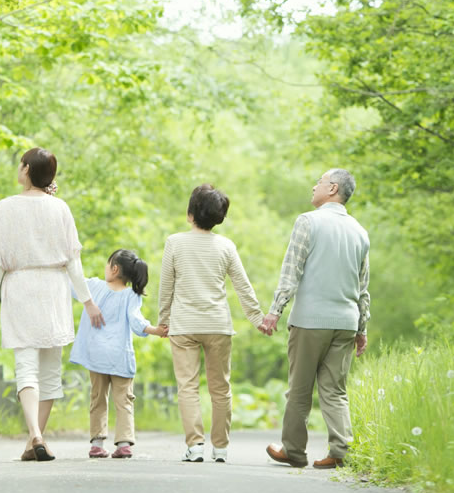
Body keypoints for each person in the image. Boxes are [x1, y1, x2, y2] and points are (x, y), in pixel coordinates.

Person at [0, 147, 103, 461]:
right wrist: (88, 301)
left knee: (26, 368)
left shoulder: (4, 208)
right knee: (49, 371)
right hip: (53, 290)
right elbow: (74, 263)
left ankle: (34, 437)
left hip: (20, 288)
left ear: (25, 170)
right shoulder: (60, 208)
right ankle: (36, 438)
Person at [262, 169, 370, 470]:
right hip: (346, 321)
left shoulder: (308, 222)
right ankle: (341, 450)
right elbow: (363, 287)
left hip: (311, 319)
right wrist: (362, 328)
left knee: (299, 389)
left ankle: (294, 450)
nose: (314, 186)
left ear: (332, 188)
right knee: (335, 390)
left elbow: (291, 271)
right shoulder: (360, 231)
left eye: (320, 182)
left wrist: (275, 310)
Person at [159, 184, 266, 463]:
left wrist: (163, 321)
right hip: (218, 324)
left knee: (188, 387)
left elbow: (166, 287)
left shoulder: (174, 242)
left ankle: (195, 446)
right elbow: (243, 286)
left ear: (190, 213)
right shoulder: (226, 246)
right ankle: (220, 448)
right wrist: (257, 318)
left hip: (184, 325)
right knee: (221, 388)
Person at [70, 249, 168, 459]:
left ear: (114, 269)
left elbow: (71, 283)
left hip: (96, 355)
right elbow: (135, 321)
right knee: (124, 400)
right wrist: (155, 330)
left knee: (97, 398)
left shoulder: (94, 287)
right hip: (119, 356)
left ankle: (97, 443)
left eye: (107, 264)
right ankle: (123, 443)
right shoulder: (131, 295)